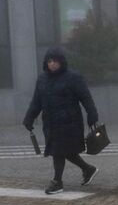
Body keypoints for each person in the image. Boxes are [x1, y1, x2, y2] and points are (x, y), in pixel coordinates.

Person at [23, 47, 100, 195]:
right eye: (49, 61)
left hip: (70, 122)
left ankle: (57, 182)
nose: (52, 64)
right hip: (51, 123)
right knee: (65, 151)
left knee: (58, 151)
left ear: (61, 62)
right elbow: (36, 101)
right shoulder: (42, 79)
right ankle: (88, 169)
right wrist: (29, 117)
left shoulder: (73, 78)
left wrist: (92, 115)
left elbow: (86, 98)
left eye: (55, 61)